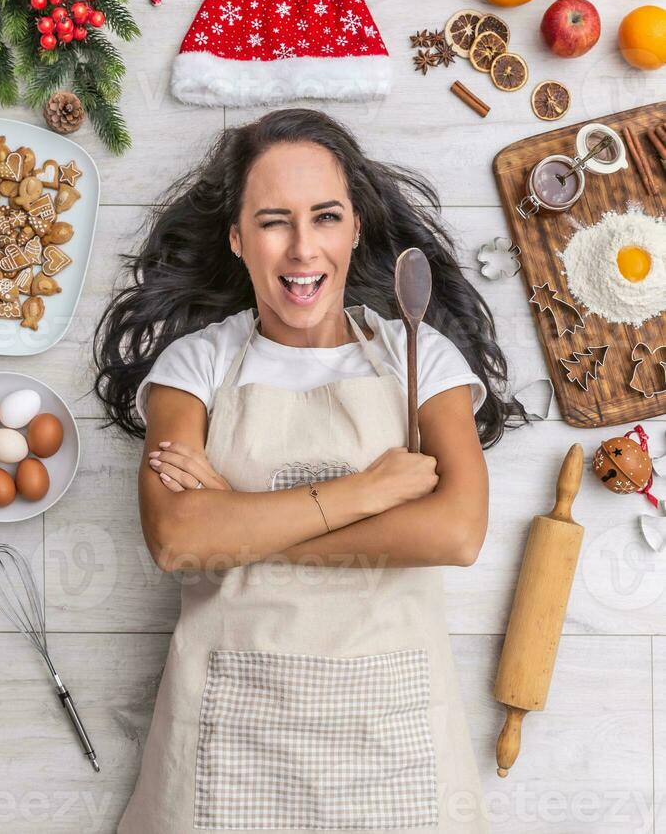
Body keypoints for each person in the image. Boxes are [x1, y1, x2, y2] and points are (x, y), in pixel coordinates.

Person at [93, 107, 526, 833]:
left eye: (324, 216)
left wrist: (241, 524)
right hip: (234, 730)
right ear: (237, 238)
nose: (301, 249)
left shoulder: (418, 356)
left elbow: (454, 533)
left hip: (392, 732)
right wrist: (366, 494)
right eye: (272, 221)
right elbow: (175, 539)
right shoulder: (195, 365)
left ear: (354, 227)